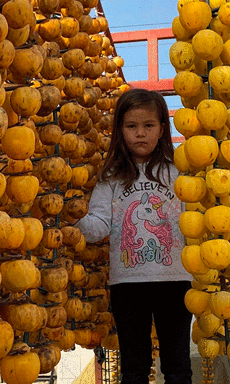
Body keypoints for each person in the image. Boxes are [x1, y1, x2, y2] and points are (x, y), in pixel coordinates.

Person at [69, 88, 193, 384]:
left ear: (163, 128)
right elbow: (99, 225)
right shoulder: (112, 176)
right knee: (134, 368)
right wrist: (74, 218)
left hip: (174, 281)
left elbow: (196, 218)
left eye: (148, 126)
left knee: (177, 366)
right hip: (128, 284)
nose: (140, 134)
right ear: (120, 130)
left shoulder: (179, 172)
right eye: (131, 126)